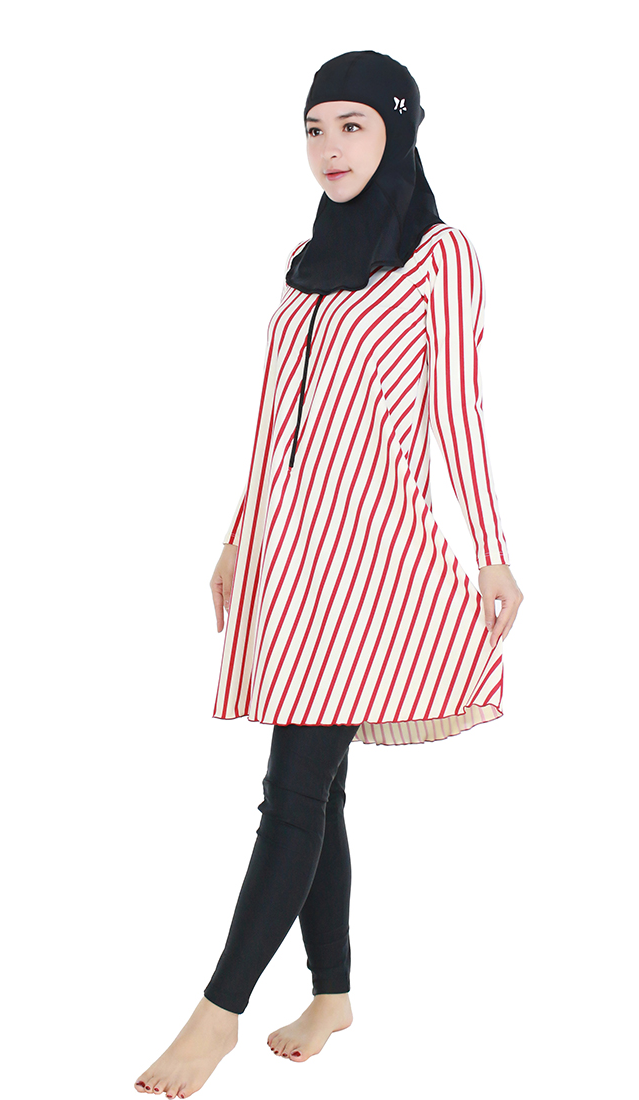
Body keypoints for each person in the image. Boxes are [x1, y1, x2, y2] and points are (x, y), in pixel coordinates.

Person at [135, 50, 523, 1098]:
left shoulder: (439, 254)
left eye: (353, 125)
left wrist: (491, 548)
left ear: (397, 129)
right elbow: (277, 421)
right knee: (317, 787)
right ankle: (332, 993)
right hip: (287, 559)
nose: (329, 148)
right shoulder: (305, 258)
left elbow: (458, 408)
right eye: (314, 128)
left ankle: (215, 1015)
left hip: (370, 558)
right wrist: (238, 535)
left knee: (292, 789)